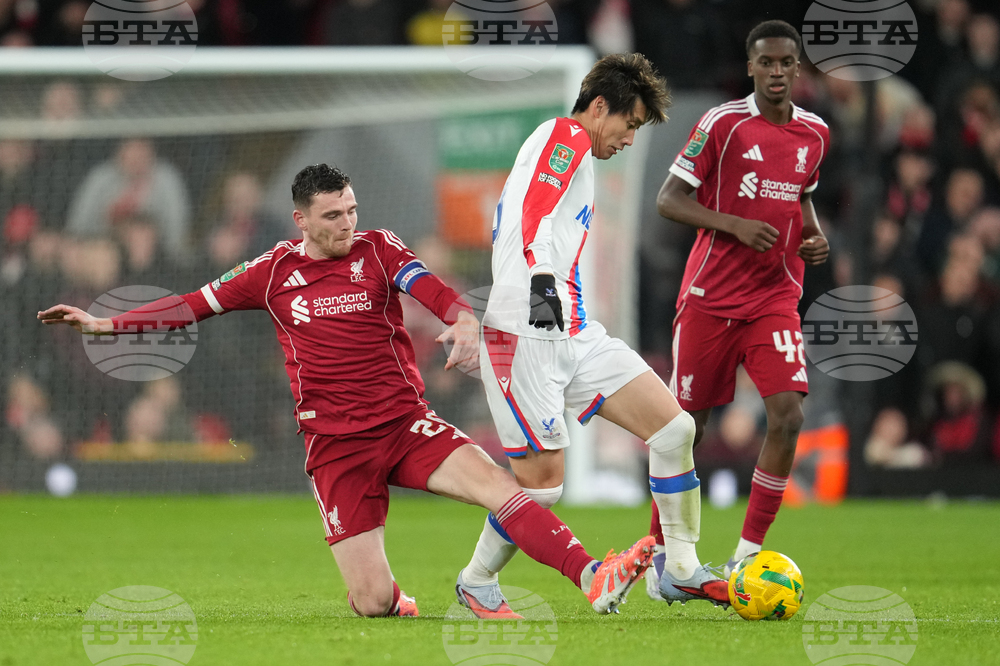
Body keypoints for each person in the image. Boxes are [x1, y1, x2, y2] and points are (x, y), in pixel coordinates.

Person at [38, 164, 654, 618]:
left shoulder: (379, 251)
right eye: (333, 216)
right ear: (302, 218)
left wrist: (462, 320)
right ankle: (399, 600)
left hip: (404, 425)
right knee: (372, 602)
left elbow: (432, 290)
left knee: (505, 489)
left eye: (352, 210)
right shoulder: (271, 272)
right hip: (334, 449)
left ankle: (594, 576)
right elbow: (191, 306)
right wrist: (105, 323)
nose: (347, 224)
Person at [454, 52, 730, 618]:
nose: (630, 140)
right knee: (541, 486)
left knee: (674, 428)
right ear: (599, 107)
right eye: (629, 125)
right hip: (524, 331)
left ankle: (677, 569)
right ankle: (476, 579)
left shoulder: (575, 155)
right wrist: (538, 276)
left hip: (575, 331)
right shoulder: (565, 135)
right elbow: (536, 211)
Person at [650, 20, 831, 590]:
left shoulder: (816, 134)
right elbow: (668, 200)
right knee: (685, 432)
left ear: (797, 69)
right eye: (766, 63)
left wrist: (813, 234)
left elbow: (800, 199)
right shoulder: (723, 123)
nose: (777, 72)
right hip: (710, 296)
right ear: (751, 67)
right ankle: (658, 557)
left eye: (786, 63)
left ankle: (747, 555)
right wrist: (732, 224)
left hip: (775, 295)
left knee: (788, 415)